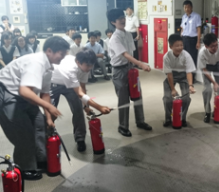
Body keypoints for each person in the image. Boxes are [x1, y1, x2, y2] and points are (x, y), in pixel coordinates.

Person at [0, 36, 70, 180]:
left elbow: (45, 93)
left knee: (41, 123)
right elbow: (24, 91)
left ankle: (39, 159)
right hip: (6, 92)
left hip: (23, 95)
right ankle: (25, 167)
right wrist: (49, 107)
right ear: (50, 51)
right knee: (23, 131)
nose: (63, 57)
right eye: (61, 54)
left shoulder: (48, 67)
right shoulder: (36, 62)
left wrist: (49, 117)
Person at [50, 48, 111, 152]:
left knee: (78, 110)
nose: (89, 68)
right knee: (51, 113)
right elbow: (79, 93)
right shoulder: (70, 69)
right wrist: (99, 107)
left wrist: (86, 107)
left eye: (91, 65)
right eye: (88, 66)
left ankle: (80, 139)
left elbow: (82, 87)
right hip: (53, 84)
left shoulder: (85, 67)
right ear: (78, 62)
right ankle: (48, 137)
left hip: (70, 86)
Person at [106, 8, 152, 137]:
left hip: (130, 69)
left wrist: (136, 66)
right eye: (119, 18)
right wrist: (141, 64)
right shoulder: (114, 38)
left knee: (137, 95)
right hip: (119, 72)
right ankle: (123, 126)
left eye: (123, 17)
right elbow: (125, 54)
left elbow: (132, 52)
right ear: (113, 22)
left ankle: (140, 121)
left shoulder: (128, 34)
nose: (122, 19)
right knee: (124, 100)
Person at [198, 33, 219, 123]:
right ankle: (207, 112)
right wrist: (214, 83)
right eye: (212, 46)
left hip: (217, 65)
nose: (215, 48)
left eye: (216, 45)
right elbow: (204, 70)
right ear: (206, 46)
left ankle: (218, 111)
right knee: (207, 90)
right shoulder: (202, 53)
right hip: (207, 68)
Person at [163, 34, 196, 127]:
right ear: (171, 46)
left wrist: (190, 85)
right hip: (171, 76)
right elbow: (169, 74)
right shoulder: (167, 57)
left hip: (183, 75)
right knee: (167, 98)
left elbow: (189, 72)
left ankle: (182, 118)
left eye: (181, 45)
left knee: (186, 98)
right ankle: (168, 118)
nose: (180, 48)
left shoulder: (186, 55)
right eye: (177, 46)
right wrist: (173, 89)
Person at [180, 0, 201, 83]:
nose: (186, 9)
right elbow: (182, 29)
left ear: (191, 7)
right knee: (184, 58)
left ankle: (192, 79)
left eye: (188, 7)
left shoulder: (196, 16)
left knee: (192, 59)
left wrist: (198, 41)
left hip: (192, 40)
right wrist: (180, 41)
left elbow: (199, 29)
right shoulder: (183, 17)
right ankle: (185, 77)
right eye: (185, 7)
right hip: (184, 39)